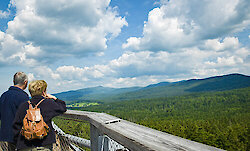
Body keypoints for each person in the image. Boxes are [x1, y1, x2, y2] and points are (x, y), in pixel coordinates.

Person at [13, 80, 67, 151]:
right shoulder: (49, 103)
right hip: (44, 144)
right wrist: (54, 98)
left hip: (25, 145)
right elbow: (63, 107)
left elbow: (16, 126)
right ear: (43, 91)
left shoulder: (23, 106)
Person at [0, 72, 29, 151]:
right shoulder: (23, 97)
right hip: (18, 137)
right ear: (25, 82)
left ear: (13, 81)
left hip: (3, 135)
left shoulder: (3, 96)